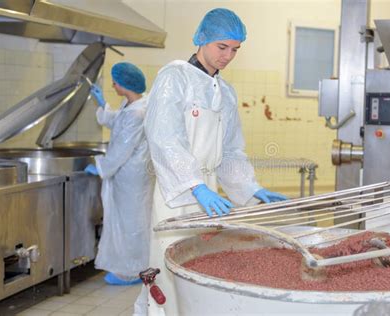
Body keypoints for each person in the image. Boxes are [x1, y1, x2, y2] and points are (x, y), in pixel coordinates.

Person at [135, 8, 287, 315]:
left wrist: (250, 188)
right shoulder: (174, 77)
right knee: (167, 272)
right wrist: (194, 185)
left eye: (235, 49)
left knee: (200, 272)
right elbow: (165, 139)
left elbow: (230, 151)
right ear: (201, 39)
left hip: (210, 196)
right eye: (222, 47)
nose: (228, 56)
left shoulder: (226, 93)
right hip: (176, 194)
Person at [85, 62, 155, 286]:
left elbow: (122, 148)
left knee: (131, 223)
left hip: (131, 176)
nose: (113, 85)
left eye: (115, 81)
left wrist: (102, 166)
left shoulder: (137, 112)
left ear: (125, 84)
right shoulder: (132, 104)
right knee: (130, 221)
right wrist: (103, 104)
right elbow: (117, 121)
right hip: (129, 174)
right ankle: (130, 266)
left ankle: (132, 272)